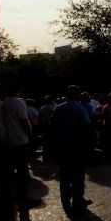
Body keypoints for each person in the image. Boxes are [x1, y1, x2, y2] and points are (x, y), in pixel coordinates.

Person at [47, 85, 94, 213]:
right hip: (77, 145)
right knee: (78, 174)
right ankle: (78, 200)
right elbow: (87, 126)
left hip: (63, 144)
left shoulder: (59, 108)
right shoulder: (80, 108)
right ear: (77, 95)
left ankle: (65, 198)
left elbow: (51, 126)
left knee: (65, 173)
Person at [0, 83, 38, 213]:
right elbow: (24, 121)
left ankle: (9, 196)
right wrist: (30, 133)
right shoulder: (19, 103)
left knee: (9, 171)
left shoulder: (3, 104)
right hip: (20, 140)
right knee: (22, 172)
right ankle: (23, 199)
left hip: (7, 140)